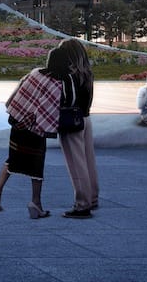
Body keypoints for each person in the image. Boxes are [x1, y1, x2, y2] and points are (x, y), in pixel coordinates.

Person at [0, 47, 66, 219]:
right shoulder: (57, 84)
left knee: (12, 159)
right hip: (35, 129)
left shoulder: (35, 73)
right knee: (36, 165)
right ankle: (35, 203)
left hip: (17, 124)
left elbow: (18, 92)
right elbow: (49, 110)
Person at [57, 38, 98, 219]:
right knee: (88, 161)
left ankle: (82, 204)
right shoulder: (87, 73)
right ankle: (93, 197)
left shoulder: (68, 75)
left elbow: (65, 99)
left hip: (72, 121)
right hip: (86, 118)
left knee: (76, 164)